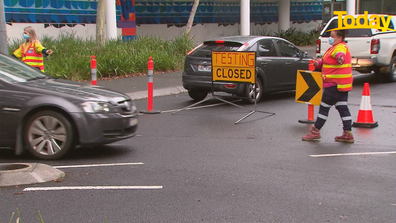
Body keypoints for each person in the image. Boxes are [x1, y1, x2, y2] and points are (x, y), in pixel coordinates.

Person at [302, 29, 354, 143]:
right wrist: (318, 64)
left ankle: (315, 131)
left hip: (334, 84)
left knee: (324, 107)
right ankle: (348, 133)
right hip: (342, 85)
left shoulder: (340, 47)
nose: (330, 38)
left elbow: (340, 56)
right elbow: (326, 62)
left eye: (332, 36)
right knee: (342, 107)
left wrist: (340, 58)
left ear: (339, 38)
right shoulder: (334, 47)